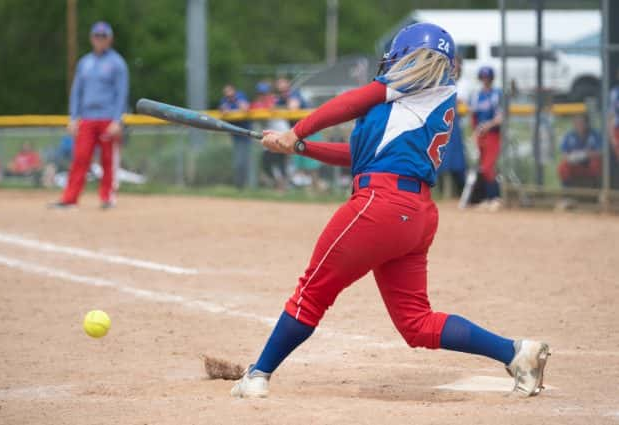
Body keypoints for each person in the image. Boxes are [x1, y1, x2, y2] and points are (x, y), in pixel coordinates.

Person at [231, 22, 550, 399]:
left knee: (311, 292)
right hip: (413, 214)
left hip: (379, 205)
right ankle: (515, 353)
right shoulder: (421, 99)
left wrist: (297, 131)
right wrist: (300, 147)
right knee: (416, 323)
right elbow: (361, 158)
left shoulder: (415, 84)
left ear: (409, 58)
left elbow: (349, 102)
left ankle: (258, 375)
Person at [52, 21, 128, 209]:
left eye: (103, 36)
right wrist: (73, 117)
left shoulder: (117, 63)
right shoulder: (85, 63)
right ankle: (70, 198)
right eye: (96, 36)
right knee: (80, 158)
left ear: (109, 39)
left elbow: (122, 93)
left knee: (108, 160)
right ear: (92, 38)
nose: (99, 40)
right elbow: (76, 92)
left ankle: (107, 197)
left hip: (108, 117)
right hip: (87, 118)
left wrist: (118, 120)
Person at [469, 66, 503, 210]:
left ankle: (495, 198)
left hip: (493, 134)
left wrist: (488, 125)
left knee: (488, 166)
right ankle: (486, 198)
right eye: (483, 78)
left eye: (487, 78)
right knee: (482, 168)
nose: (485, 81)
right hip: (480, 134)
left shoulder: (496, 94)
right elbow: (474, 116)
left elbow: (501, 117)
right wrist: (475, 132)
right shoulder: (477, 95)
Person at [436, 56, 467, 196]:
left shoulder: (464, 84)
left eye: (457, 65)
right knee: (441, 159)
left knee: (457, 161)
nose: (455, 68)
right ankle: (442, 192)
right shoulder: (440, 83)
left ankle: (458, 193)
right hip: (442, 126)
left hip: (456, 126)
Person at [252, 81, 289, 191]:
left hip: (282, 133)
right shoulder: (257, 103)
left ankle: (282, 186)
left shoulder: (274, 100)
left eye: (264, 93)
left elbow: (281, 104)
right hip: (270, 135)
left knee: (280, 162)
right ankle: (279, 184)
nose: (262, 95)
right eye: (260, 93)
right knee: (267, 163)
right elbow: (253, 110)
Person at [219, 84, 251, 189]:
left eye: (230, 92)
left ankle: (245, 185)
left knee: (244, 162)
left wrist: (235, 101)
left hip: (246, 135)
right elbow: (223, 110)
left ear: (234, 91)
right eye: (226, 93)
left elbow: (245, 107)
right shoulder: (225, 100)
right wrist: (226, 108)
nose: (228, 95)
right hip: (235, 136)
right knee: (238, 162)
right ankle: (239, 186)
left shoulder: (240, 96)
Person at [558, 114, 602, 188]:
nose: (579, 125)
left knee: (596, 164)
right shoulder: (569, 135)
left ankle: (597, 190)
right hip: (574, 163)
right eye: (576, 123)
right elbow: (564, 154)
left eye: (581, 122)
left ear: (587, 123)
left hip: (589, 163)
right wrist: (572, 157)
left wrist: (586, 154)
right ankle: (567, 191)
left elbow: (600, 152)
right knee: (563, 167)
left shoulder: (595, 134)